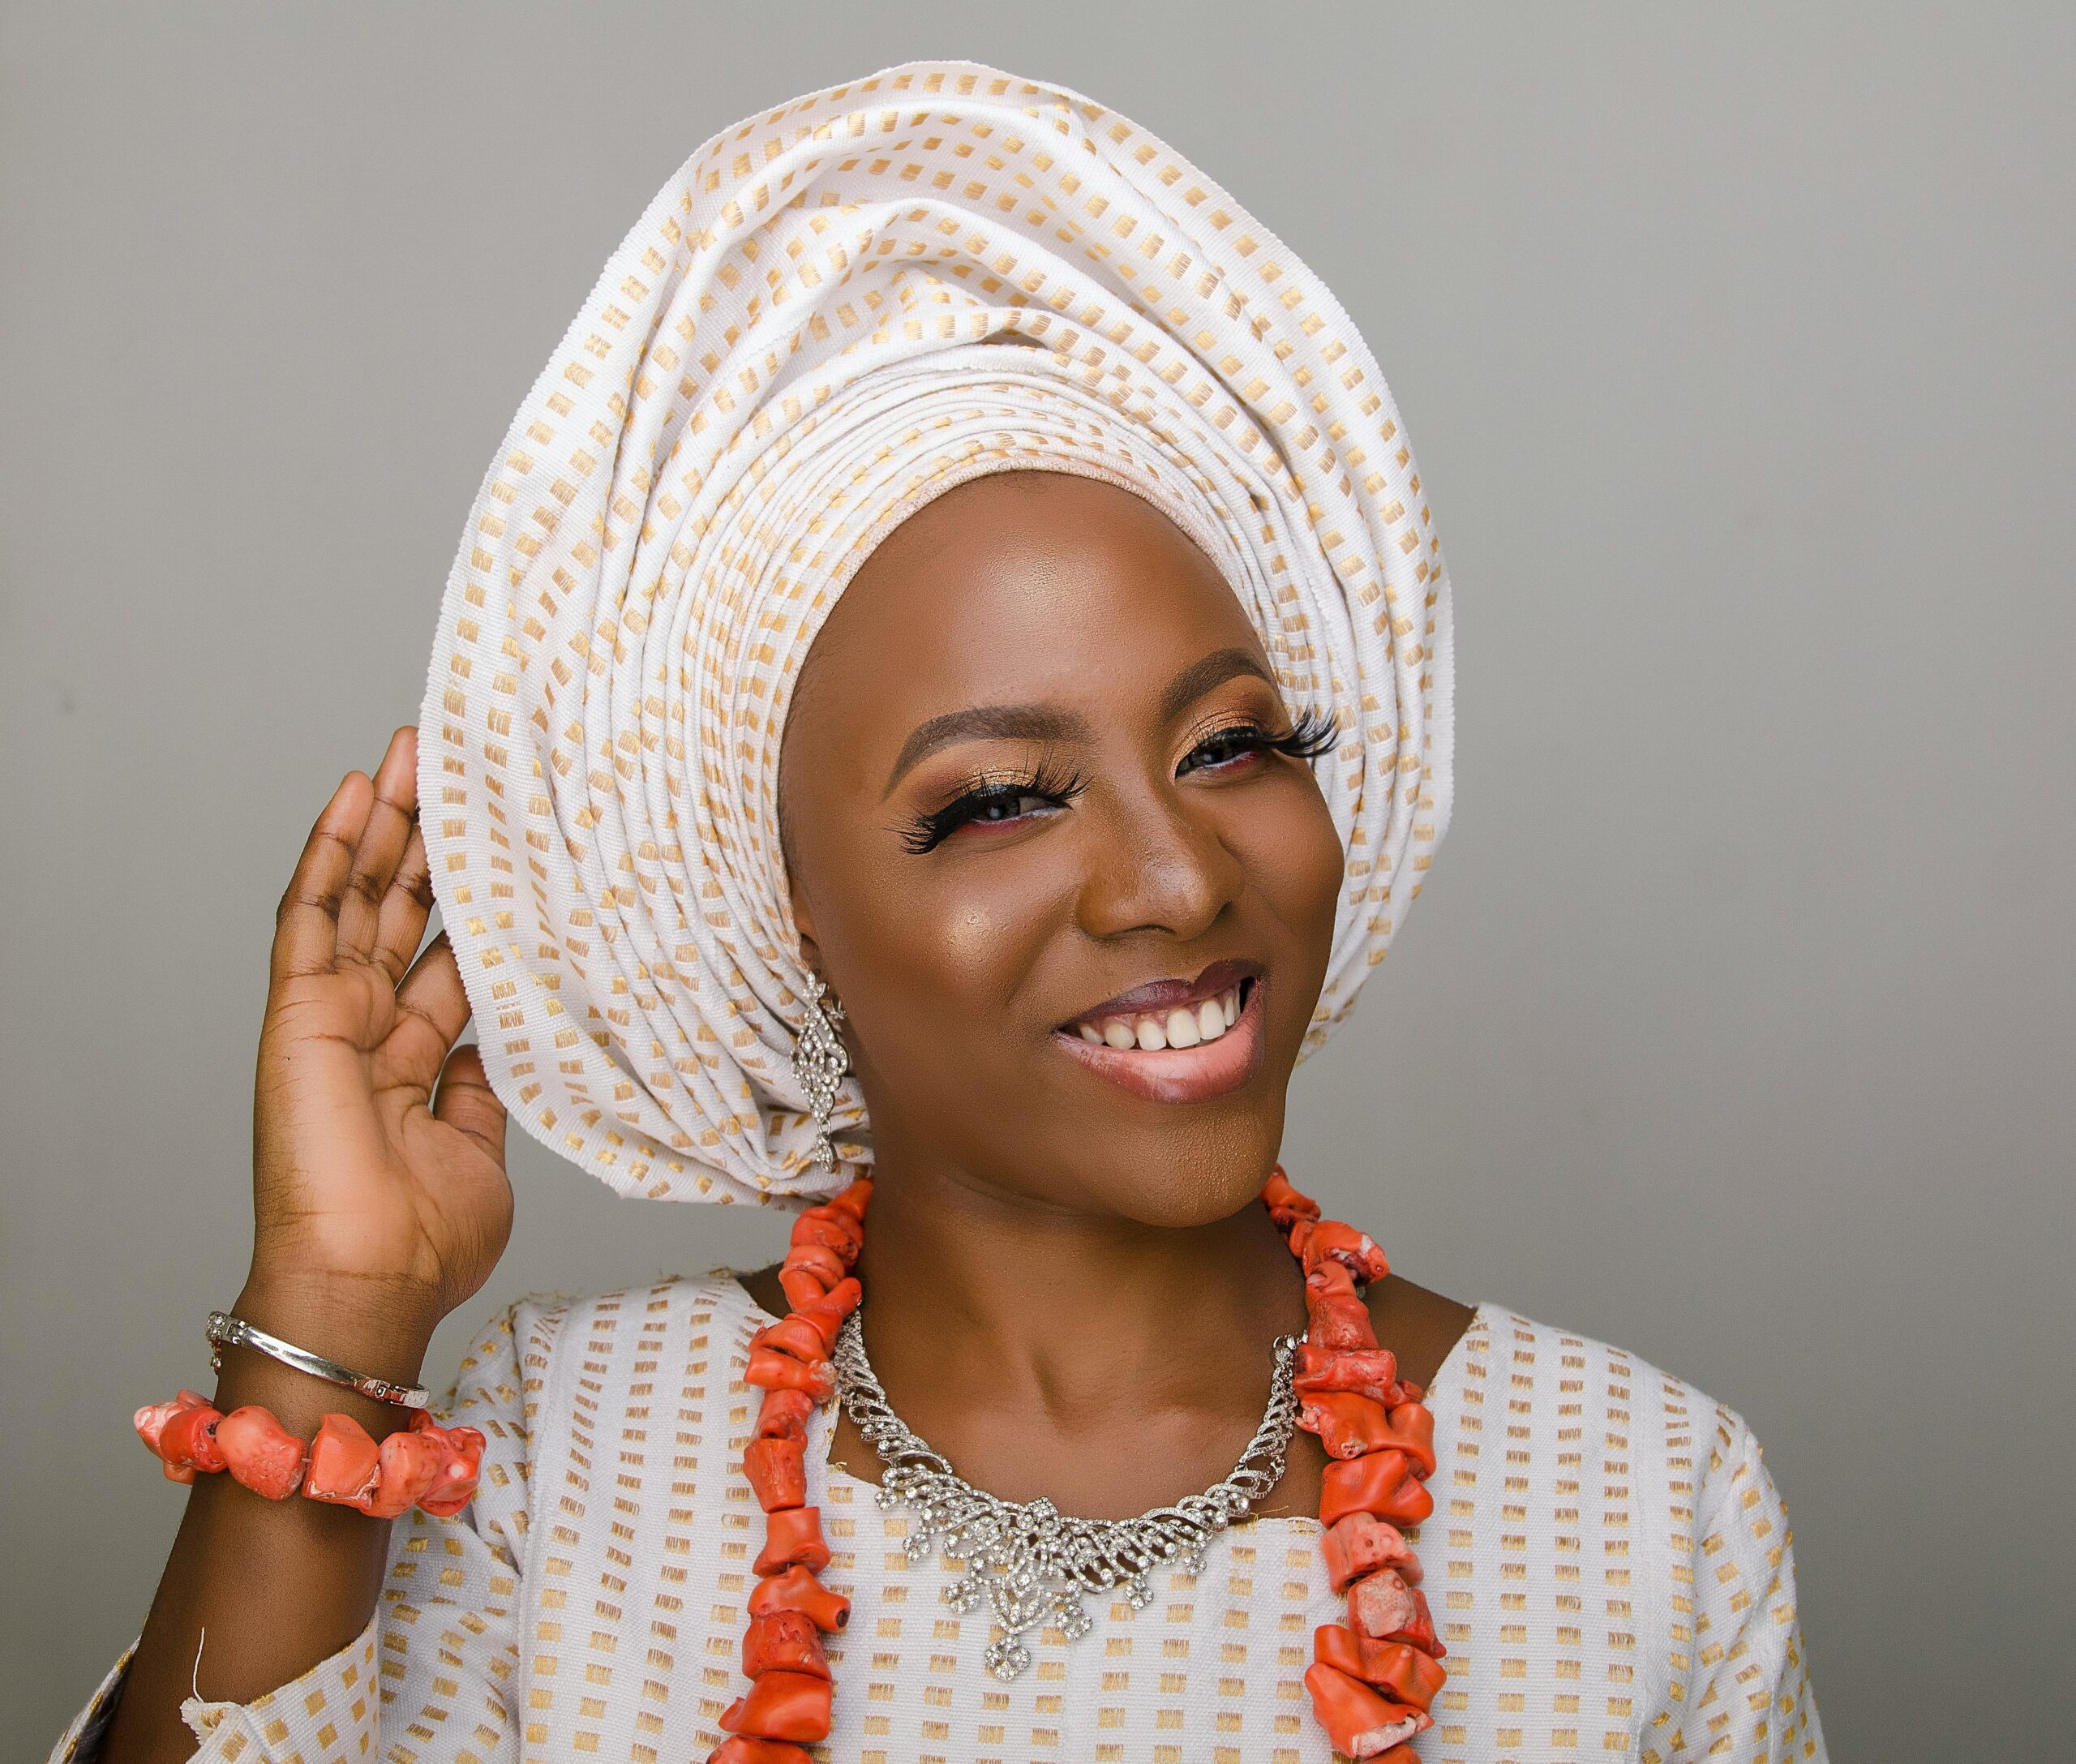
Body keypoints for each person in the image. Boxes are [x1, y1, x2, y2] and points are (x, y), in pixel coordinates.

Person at [56, 61, 1825, 1764]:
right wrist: (334, 1307)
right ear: (790, 912)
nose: (1173, 876)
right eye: (995, 799)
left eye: (1230, 743)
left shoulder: (1635, 1495)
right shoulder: (553, 1454)